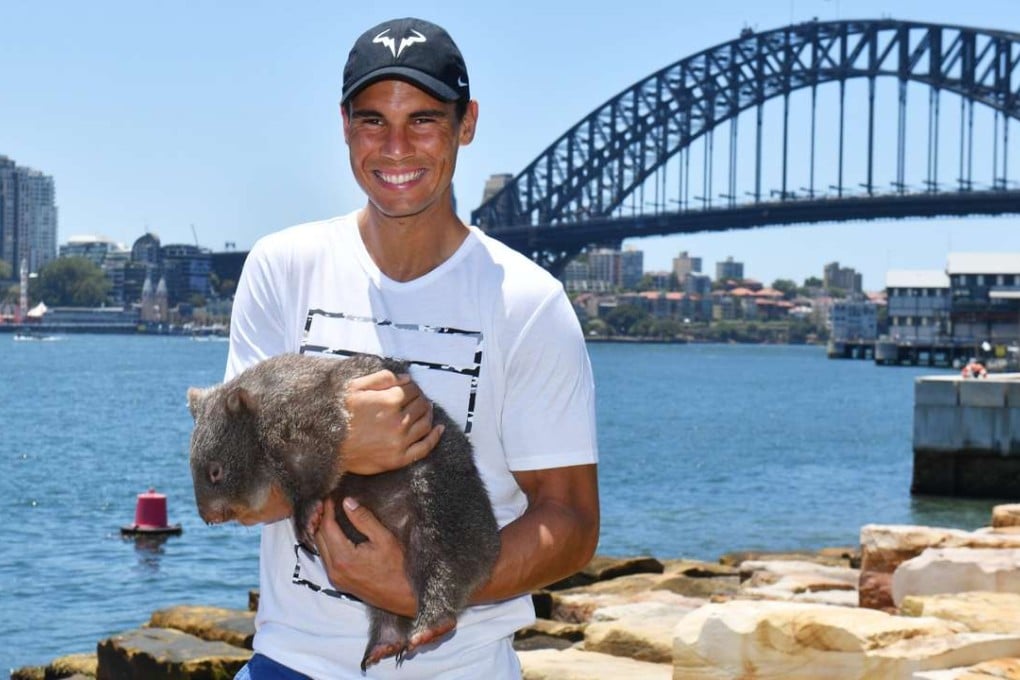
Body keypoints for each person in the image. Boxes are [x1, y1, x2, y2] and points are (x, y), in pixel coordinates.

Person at [227, 16, 600, 679]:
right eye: (373, 121)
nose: (396, 147)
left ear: (467, 123)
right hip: (291, 662)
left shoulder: (527, 302)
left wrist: (427, 588)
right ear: (345, 124)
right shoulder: (282, 268)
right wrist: (344, 445)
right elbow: (237, 498)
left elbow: (569, 519)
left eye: (423, 120)